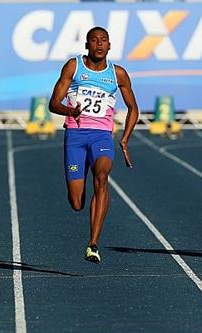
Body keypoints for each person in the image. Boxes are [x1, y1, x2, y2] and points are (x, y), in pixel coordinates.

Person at [49, 26, 139, 263]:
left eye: (104, 40)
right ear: (87, 45)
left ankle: (93, 244)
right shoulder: (74, 66)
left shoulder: (117, 74)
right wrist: (70, 110)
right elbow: (53, 103)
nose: (99, 44)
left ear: (109, 45)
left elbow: (133, 108)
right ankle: (86, 195)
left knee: (102, 175)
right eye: (94, 40)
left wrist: (125, 139)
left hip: (101, 136)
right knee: (77, 202)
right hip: (76, 137)